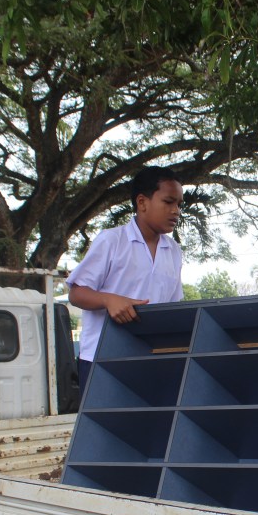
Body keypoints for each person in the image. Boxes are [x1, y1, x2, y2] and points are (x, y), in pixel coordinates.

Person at [66, 166, 185, 394]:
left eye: (179, 204)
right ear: (142, 202)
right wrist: (109, 300)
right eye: (169, 202)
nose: (176, 211)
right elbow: (76, 293)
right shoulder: (111, 241)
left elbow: (173, 306)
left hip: (153, 360)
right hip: (103, 360)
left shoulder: (174, 251)